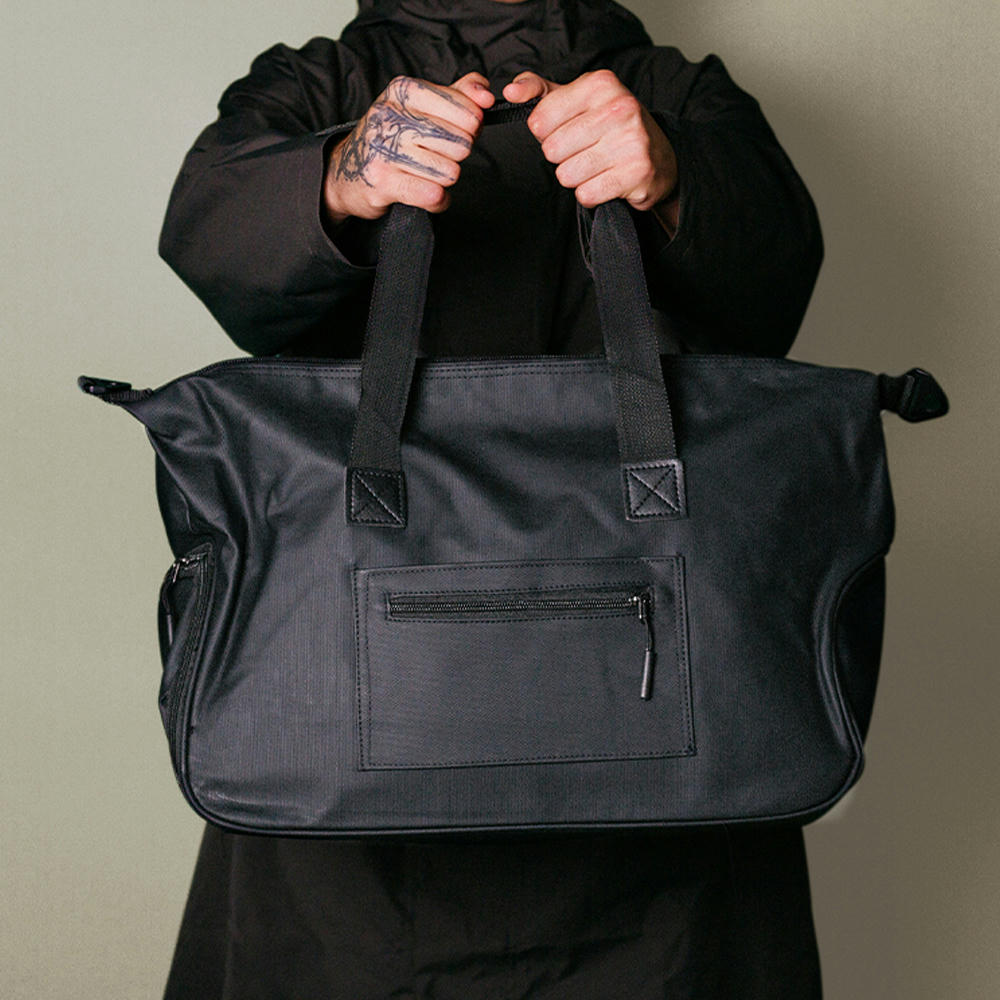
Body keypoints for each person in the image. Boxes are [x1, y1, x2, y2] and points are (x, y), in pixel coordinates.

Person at [159, 2, 824, 997]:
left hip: (667, 822)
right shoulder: (312, 86)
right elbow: (209, 231)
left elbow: (776, 284)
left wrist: (675, 175)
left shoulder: (681, 95)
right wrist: (337, 177)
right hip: (341, 798)